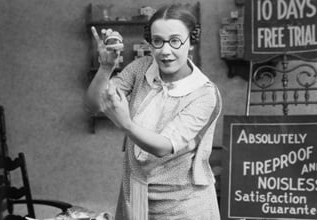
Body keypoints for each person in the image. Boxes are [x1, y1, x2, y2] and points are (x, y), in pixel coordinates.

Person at [86, 4, 221, 220]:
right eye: (158, 41)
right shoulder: (141, 68)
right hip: (138, 193)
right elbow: (95, 104)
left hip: (185, 203)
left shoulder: (203, 93)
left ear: (191, 43)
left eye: (175, 41)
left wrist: (126, 124)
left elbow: (165, 146)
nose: (165, 51)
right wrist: (105, 68)